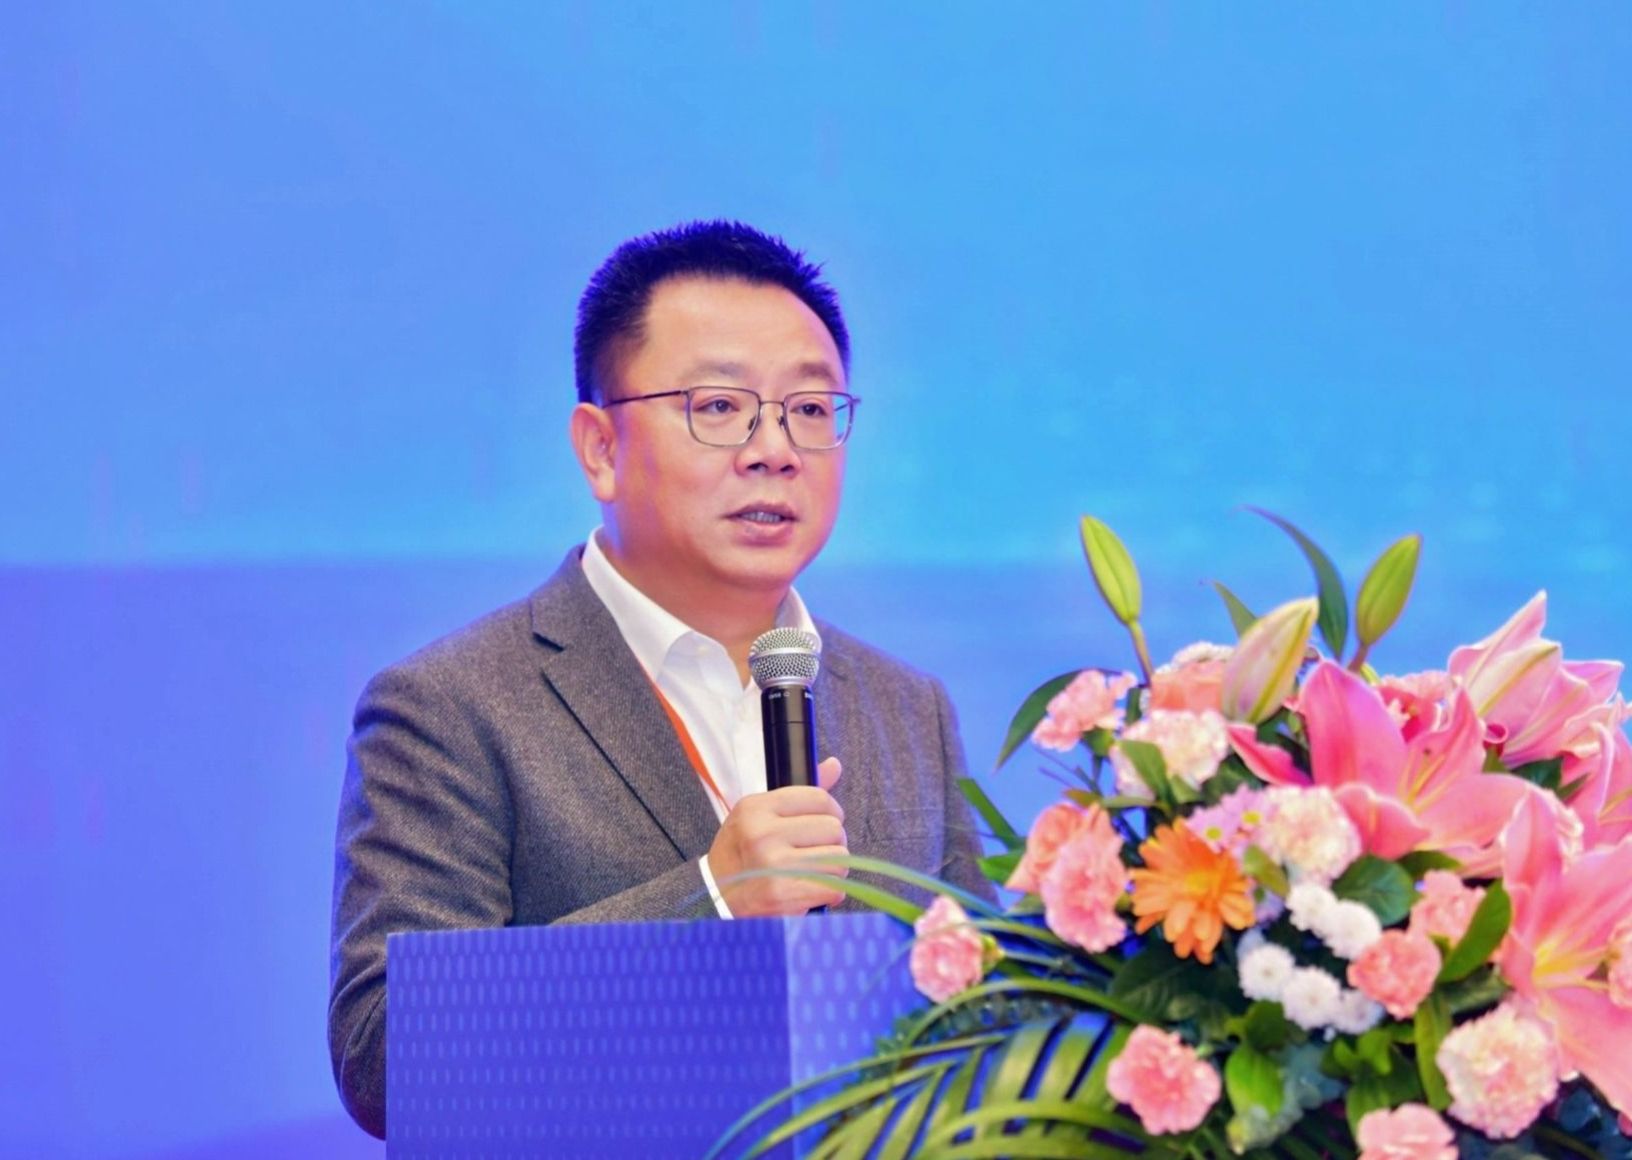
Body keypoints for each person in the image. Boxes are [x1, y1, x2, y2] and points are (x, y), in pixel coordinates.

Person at [327, 220, 992, 1139]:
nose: (775, 449)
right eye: (718, 406)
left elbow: (984, 1022)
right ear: (600, 448)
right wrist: (709, 901)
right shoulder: (450, 707)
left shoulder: (907, 706)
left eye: (809, 409)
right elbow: (385, 1056)